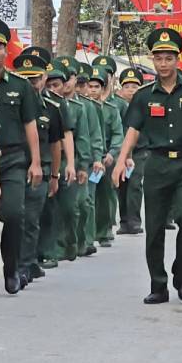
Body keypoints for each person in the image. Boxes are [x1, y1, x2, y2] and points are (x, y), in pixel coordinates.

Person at [113, 28, 182, 305]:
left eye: (168, 58)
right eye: (158, 58)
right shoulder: (144, 95)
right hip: (156, 165)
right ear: (152, 59)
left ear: (177, 59)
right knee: (155, 228)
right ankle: (158, 286)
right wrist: (122, 160)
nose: (163, 64)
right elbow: (133, 129)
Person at [0, 19, 42, 296]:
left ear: (6, 50)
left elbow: (30, 125)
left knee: (14, 214)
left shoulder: (21, 86)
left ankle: (12, 268)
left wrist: (36, 162)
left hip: (13, 159)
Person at [12, 52, 63, 285]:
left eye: (34, 79)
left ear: (43, 78)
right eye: (25, 79)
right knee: (15, 218)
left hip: (40, 172)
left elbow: (55, 144)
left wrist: (54, 175)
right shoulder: (8, 105)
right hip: (12, 169)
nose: (30, 84)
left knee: (31, 220)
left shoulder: (51, 107)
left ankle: (24, 266)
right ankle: (18, 262)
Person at [52, 57, 93, 261]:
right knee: (53, 208)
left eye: (68, 79)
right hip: (50, 160)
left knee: (74, 206)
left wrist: (82, 165)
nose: (66, 84)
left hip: (71, 160)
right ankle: (56, 247)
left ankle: (73, 241)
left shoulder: (79, 107)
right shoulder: (46, 104)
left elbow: (83, 137)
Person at [39, 58, 77, 270]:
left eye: (56, 84)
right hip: (35, 161)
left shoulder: (57, 103)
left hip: (57, 161)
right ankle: (44, 253)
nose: (52, 88)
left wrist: (70, 163)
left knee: (65, 208)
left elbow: (66, 134)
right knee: (44, 209)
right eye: (49, 84)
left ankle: (64, 245)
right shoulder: (28, 99)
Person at [86, 66, 123, 247]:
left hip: (106, 158)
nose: (93, 90)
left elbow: (118, 133)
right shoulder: (83, 107)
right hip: (89, 158)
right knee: (88, 199)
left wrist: (112, 153)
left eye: (97, 87)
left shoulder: (111, 109)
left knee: (106, 196)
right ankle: (88, 235)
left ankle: (105, 232)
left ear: (103, 88)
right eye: (90, 86)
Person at [75, 62, 104, 256]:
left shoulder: (89, 106)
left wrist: (97, 158)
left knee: (85, 201)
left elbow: (95, 135)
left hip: (86, 162)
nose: (79, 88)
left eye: (82, 84)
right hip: (65, 161)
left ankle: (86, 239)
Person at [115, 68, 144, 235]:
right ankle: (124, 221)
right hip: (121, 152)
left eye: (134, 87)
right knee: (122, 186)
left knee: (135, 185)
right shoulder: (117, 105)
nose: (131, 90)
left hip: (139, 151)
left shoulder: (144, 104)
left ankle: (134, 221)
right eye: (127, 87)